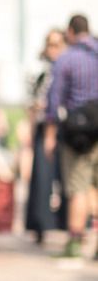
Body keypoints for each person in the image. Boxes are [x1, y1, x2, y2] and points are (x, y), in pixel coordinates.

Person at [45, 14, 98, 257]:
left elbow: (55, 103)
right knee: (95, 187)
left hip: (78, 134)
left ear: (70, 31)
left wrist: (50, 135)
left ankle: (74, 244)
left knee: (78, 186)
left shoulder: (65, 60)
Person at [25, 29, 67, 243]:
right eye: (50, 44)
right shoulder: (41, 72)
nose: (53, 49)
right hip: (44, 128)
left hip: (67, 129)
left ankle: (69, 225)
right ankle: (40, 224)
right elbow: (32, 104)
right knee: (41, 179)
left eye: (57, 44)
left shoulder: (66, 68)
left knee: (68, 180)